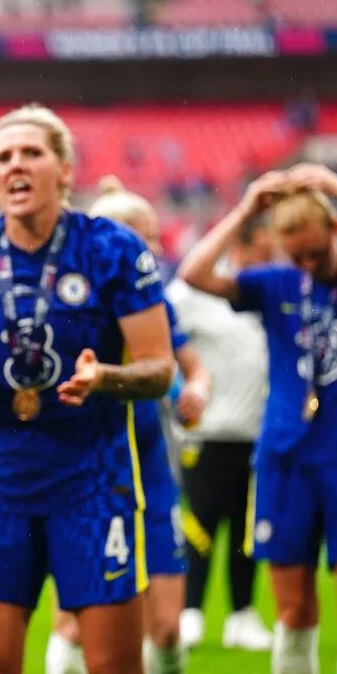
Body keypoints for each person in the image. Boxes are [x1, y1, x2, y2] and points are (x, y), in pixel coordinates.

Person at [0, 104, 174, 674]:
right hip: (1, 482)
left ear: (64, 170)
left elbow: (159, 368)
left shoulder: (113, 250)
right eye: (3, 157)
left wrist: (107, 378)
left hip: (94, 481)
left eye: (32, 153)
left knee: (114, 665)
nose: (16, 166)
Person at [45, 176, 212, 674]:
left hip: (151, 477)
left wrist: (198, 387)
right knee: (74, 622)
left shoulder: (152, 307)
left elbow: (190, 365)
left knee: (166, 628)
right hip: (86, 476)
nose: (157, 250)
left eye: (158, 238)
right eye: (146, 238)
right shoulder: (68, 309)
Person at [177, 163, 337, 674]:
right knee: (292, 607)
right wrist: (247, 207)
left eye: (319, 251)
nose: (310, 263)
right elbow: (194, 273)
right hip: (286, 455)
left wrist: (333, 189)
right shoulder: (278, 283)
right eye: (299, 255)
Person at [167, 214, 274, 652]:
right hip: (209, 432)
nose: (269, 262)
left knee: (247, 529)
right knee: (201, 522)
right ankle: (189, 610)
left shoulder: (263, 296)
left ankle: (241, 614)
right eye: (263, 253)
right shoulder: (200, 294)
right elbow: (164, 320)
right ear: (241, 249)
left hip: (259, 434)